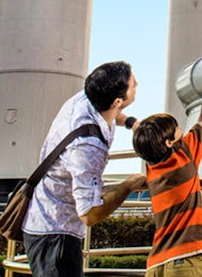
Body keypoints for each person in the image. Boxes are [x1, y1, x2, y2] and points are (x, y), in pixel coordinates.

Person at [23, 61, 145, 277]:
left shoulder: (87, 98)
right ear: (118, 100)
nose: (137, 83)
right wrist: (128, 185)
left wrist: (131, 123)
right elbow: (89, 214)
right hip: (56, 234)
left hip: (48, 222)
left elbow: (112, 112)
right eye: (133, 83)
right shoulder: (88, 147)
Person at [133, 56, 202, 277]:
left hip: (156, 264)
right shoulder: (183, 155)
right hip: (186, 262)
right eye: (177, 130)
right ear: (170, 143)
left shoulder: (151, 166)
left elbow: (144, 135)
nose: (181, 132)